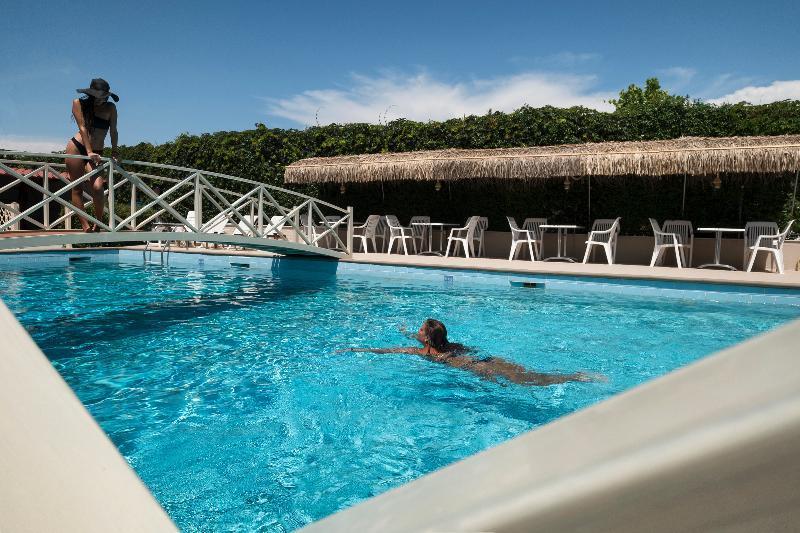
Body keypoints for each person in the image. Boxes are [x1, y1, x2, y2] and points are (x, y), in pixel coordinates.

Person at [342, 319, 601, 386]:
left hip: (475, 368)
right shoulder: (450, 345)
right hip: (486, 359)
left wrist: (356, 348)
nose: (416, 332)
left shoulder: (424, 353)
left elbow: (387, 351)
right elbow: (475, 350)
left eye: (420, 331)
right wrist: (404, 331)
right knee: (527, 376)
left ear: (428, 339)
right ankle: (573, 376)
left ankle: (574, 377)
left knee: (524, 382)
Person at [65, 78, 119, 232]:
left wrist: (115, 151)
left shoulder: (111, 108)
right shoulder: (78, 103)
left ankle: (98, 223)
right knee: (77, 188)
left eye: (104, 97)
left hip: (98, 151)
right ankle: (85, 225)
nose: (101, 100)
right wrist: (88, 151)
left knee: (98, 186)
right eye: (98, 97)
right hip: (77, 147)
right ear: (91, 94)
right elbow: (82, 128)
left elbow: (114, 131)